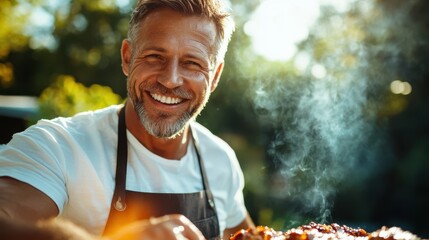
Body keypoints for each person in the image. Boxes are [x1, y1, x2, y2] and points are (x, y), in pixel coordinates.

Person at [0, 0, 255, 239]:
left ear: (215, 77)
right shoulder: (57, 146)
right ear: (126, 57)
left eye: (192, 63)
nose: (170, 79)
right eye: (155, 56)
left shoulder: (220, 160)